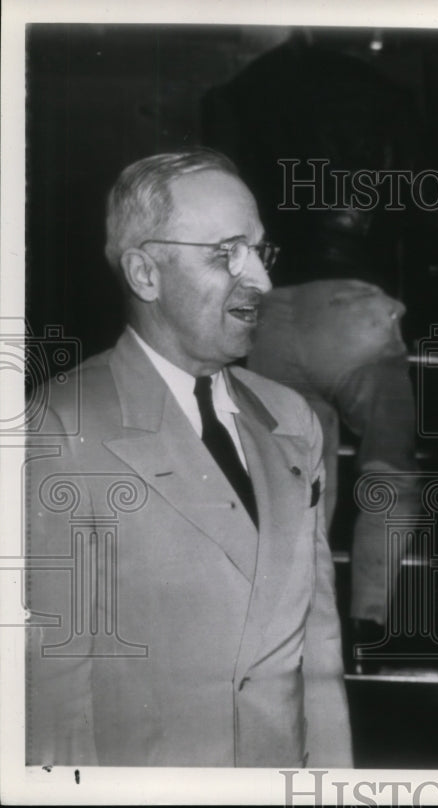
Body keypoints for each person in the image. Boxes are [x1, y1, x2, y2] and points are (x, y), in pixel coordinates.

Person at [24, 150, 352, 767]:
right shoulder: (60, 429)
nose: (260, 279)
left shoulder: (291, 420)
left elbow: (318, 651)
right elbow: (52, 701)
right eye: (225, 252)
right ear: (145, 274)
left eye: (259, 250)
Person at [247, 279, 422, 653]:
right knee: (390, 468)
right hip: (357, 313)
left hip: (272, 317)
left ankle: (287, 620)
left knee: (292, 477)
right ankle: (367, 616)